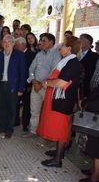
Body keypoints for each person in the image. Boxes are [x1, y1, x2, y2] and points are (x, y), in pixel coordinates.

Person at [37, 36, 81, 168]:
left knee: (61, 130)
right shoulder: (66, 61)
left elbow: (62, 82)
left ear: (69, 48)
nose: (60, 47)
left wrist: (47, 83)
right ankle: (58, 152)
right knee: (57, 128)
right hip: (57, 100)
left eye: (63, 45)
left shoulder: (73, 63)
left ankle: (58, 160)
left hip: (63, 103)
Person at [0, 34, 26, 138]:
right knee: (1, 106)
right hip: (1, 84)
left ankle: (9, 129)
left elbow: (23, 72)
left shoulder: (19, 55)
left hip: (13, 86)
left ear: (13, 43)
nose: (7, 44)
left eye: (9, 42)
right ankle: (2, 126)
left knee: (11, 108)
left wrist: (21, 88)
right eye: (5, 42)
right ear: (2, 44)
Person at [27, 33, 61, 135]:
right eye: (41, 40)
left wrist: (40, 84)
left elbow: (54, 72)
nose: (41, 42)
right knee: (34, 111)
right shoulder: (39, 54)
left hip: (47, 88)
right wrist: (33, 81)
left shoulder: (56, 54)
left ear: (51, 42)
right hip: (35, 86)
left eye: (44, 40)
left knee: (47, 112)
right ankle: (33, 131)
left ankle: (45, 133)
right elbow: (31, 69)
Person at [14, 37, 36, 134]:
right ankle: (15, 121)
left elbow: (32, 70)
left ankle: (25, 124)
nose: (15, 47)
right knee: (16, 103)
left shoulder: (32, 55)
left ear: (23, 45)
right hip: (17, 83)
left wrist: (28, 82)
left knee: (27, 105)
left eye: (17, 45)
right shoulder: (15, 54)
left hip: (28, 84)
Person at [79, 34, 98, 98]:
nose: (79, 41)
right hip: (72, 88)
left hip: (86, 90)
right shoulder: (74, 53)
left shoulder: (95, 56)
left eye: (81, 39)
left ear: (88, 42)